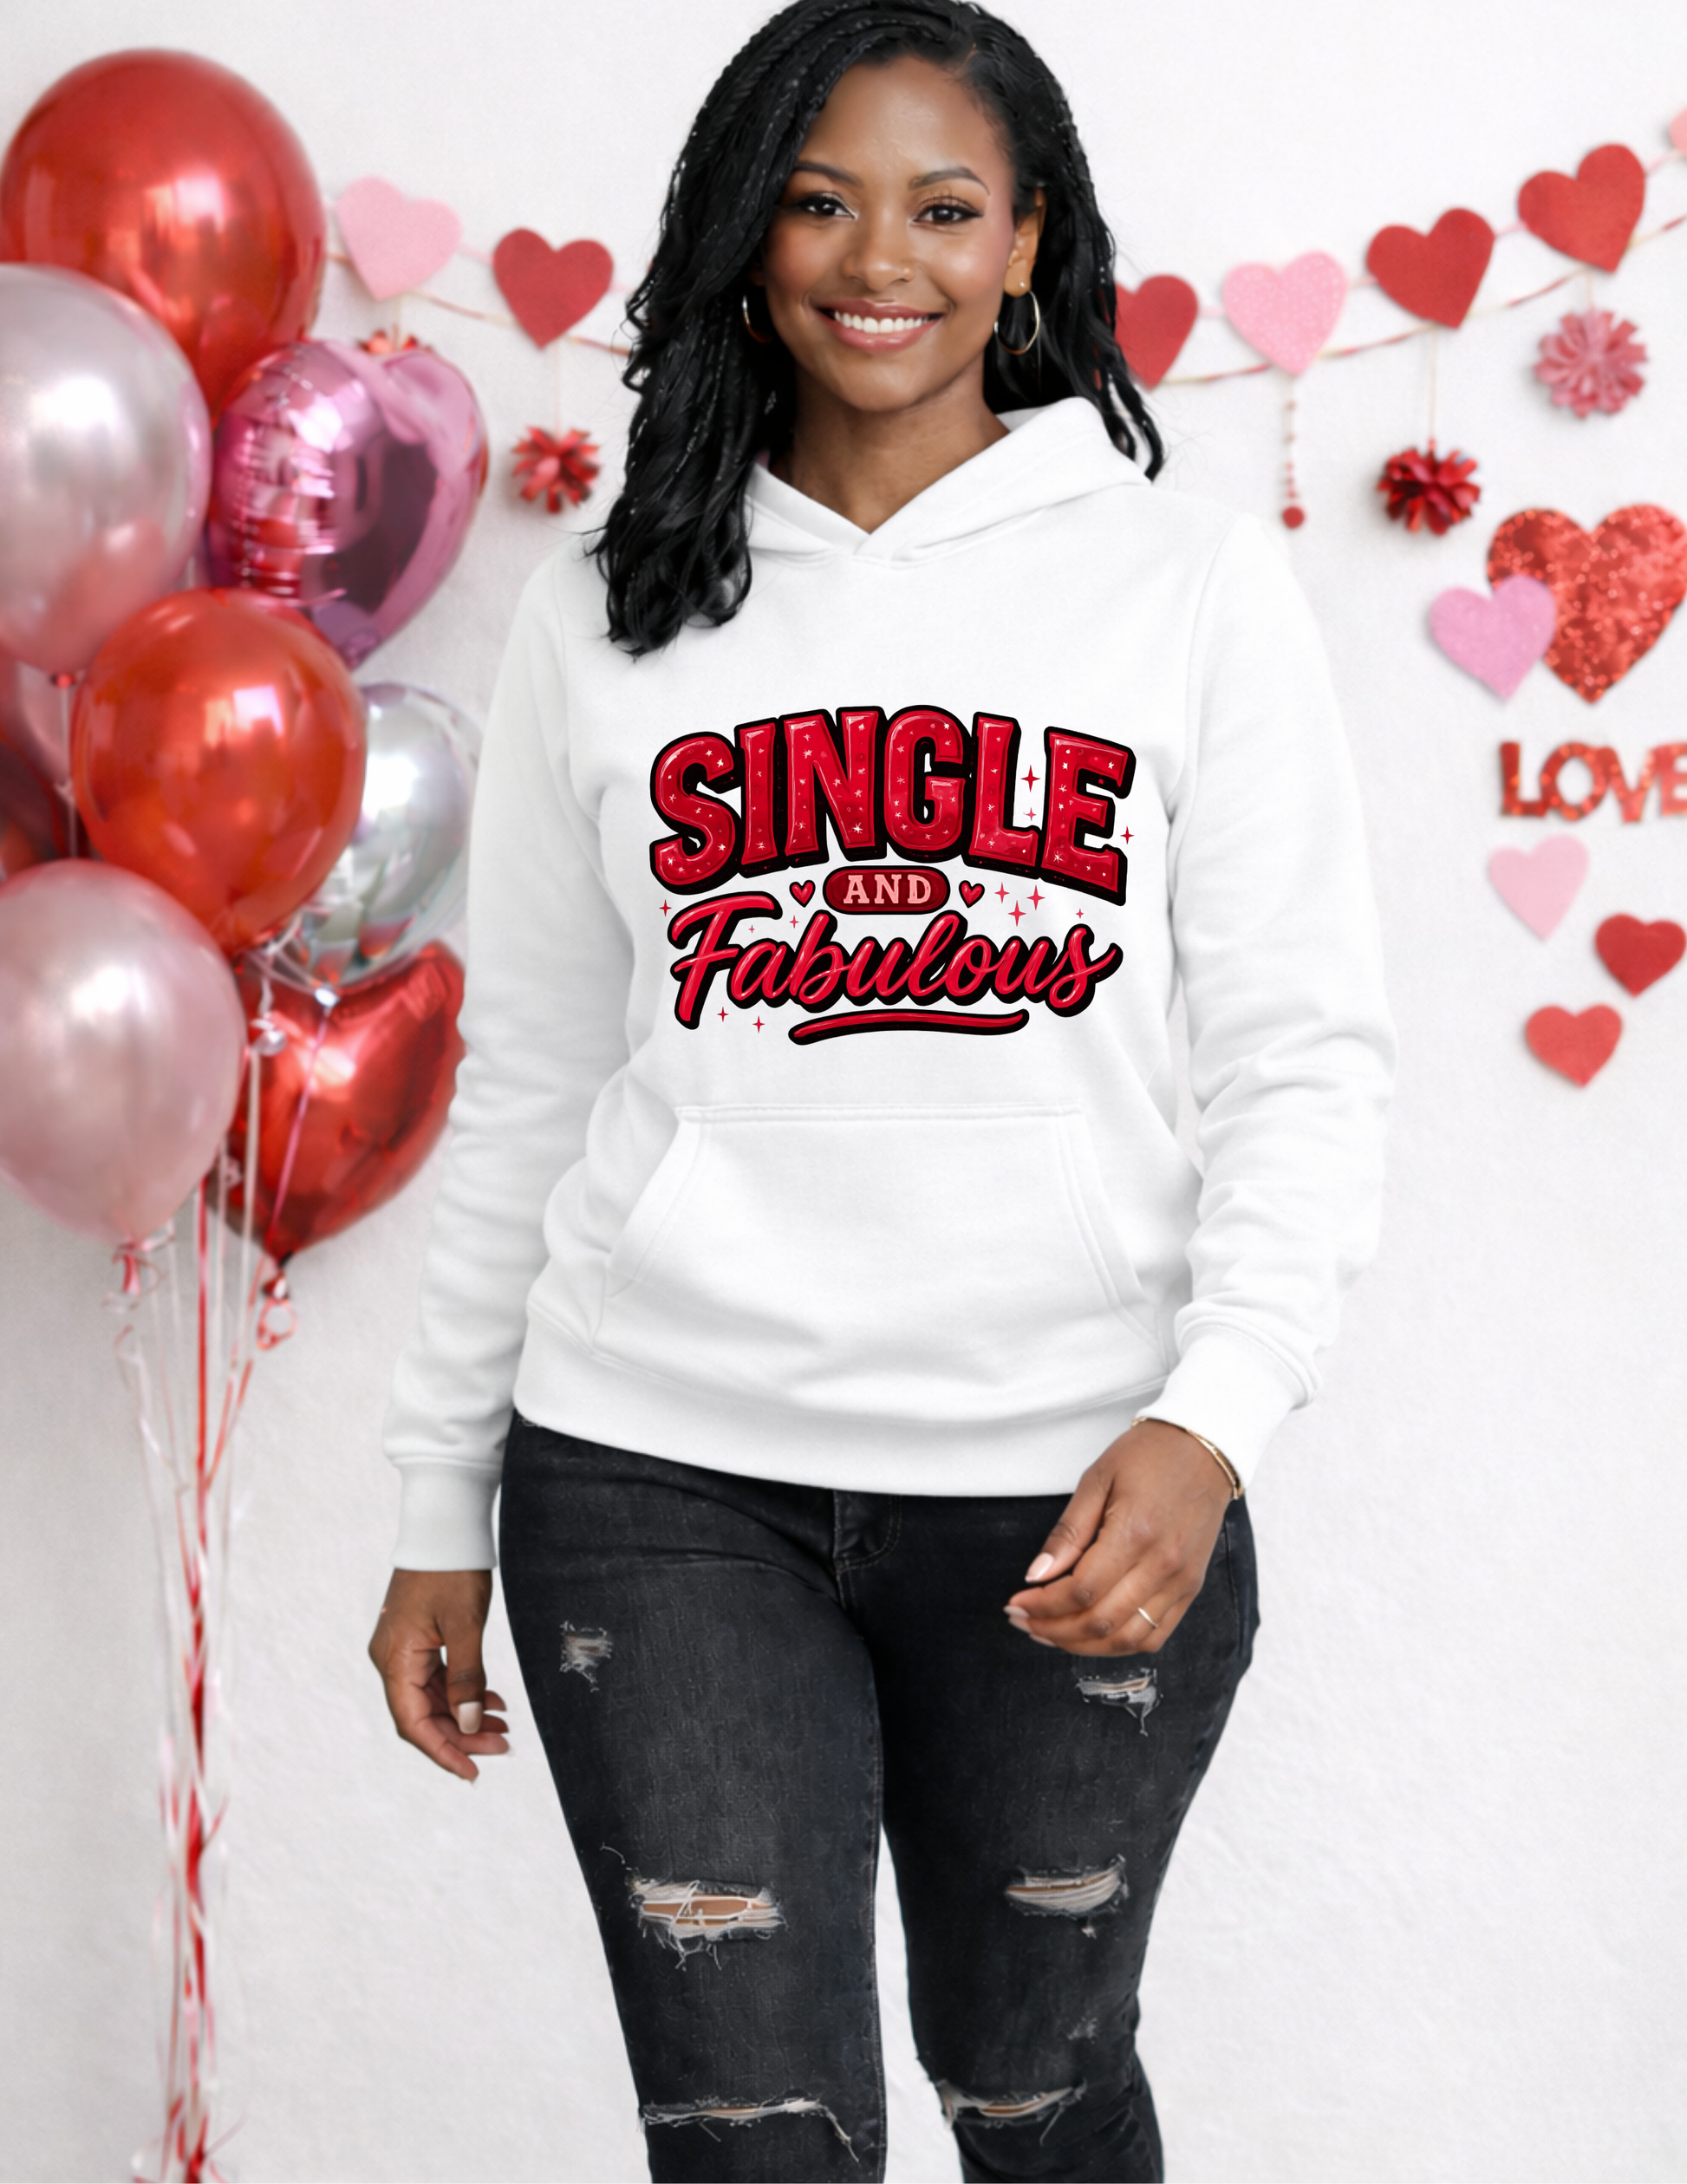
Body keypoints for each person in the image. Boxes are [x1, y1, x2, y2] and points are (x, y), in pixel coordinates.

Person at [368, 3, 1395, 2176]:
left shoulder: (1187, 586)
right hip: (656, 1474)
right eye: (820, 202)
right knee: (752, 2139)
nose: (878, 259)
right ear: (747, 237)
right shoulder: (609, 608)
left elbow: (1301, 1052)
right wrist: (434, 1501)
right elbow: (532, 1076)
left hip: (1070, 1483)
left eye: (943, 207)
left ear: (1026, 245)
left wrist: (1216, 1412)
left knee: (1035, 2090)